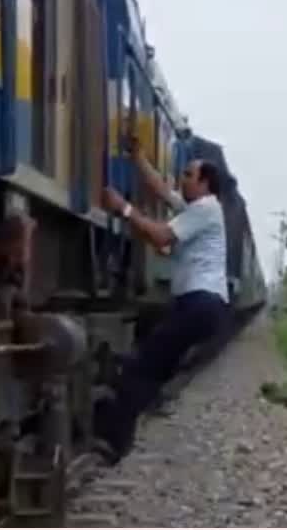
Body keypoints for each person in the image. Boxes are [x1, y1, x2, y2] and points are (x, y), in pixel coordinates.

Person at [95, 138, 230, 464]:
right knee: (151, 360)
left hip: (199, 303)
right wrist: (139, 157)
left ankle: (114, 441)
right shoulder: (198, 209)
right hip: (200, 306)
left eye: (187, 175)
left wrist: (124, 209)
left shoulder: (206, 209)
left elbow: (161, 236)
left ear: (204, 183)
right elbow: (161, 191)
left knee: (141, 368)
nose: (180, 179)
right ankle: (131, 406)